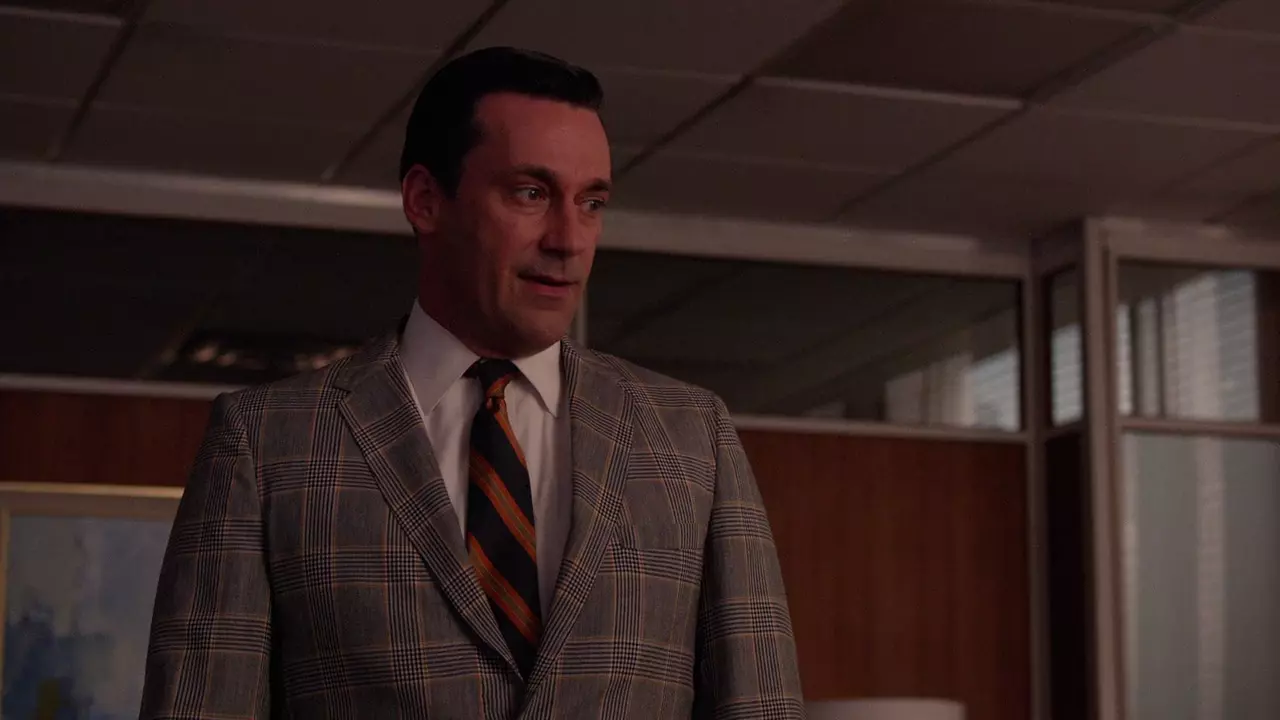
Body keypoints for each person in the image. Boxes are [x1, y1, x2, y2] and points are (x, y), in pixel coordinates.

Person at [140, 46, 804, 719]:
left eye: (591, 202)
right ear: (426, 200)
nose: (569, 239)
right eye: (531, 193)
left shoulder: (690, 436)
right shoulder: (268, 443)